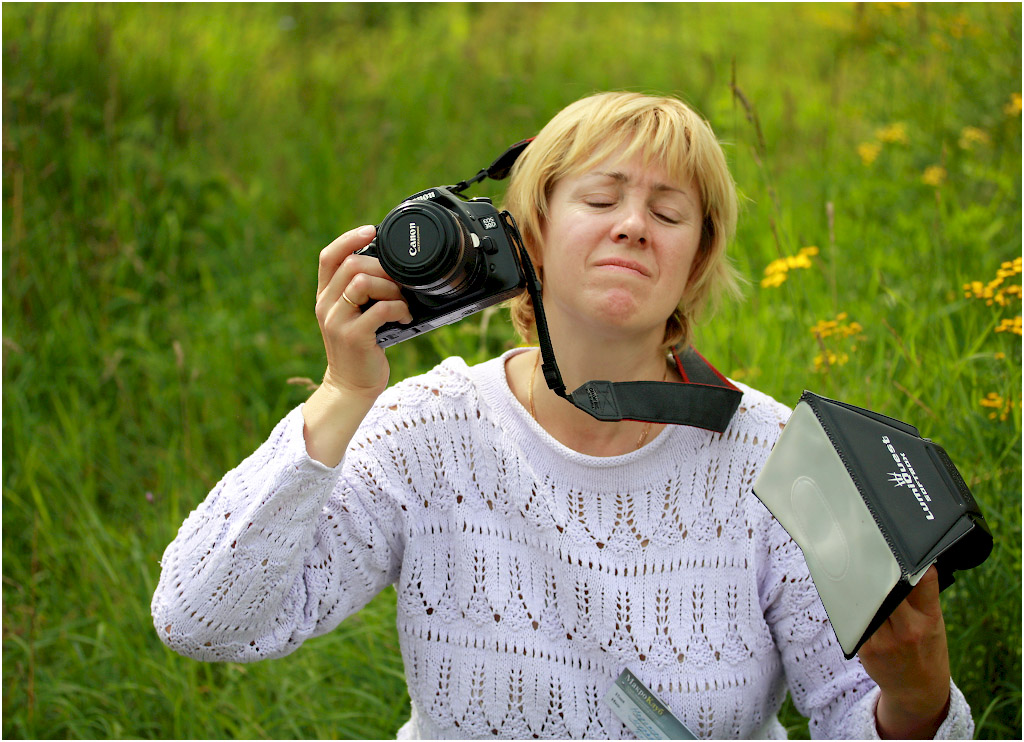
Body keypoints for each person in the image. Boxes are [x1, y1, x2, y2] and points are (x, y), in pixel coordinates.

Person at [152, 92, 971, 739]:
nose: (631, 226)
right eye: (601, 197)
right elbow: (204, 620)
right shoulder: (426, 430)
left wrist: (916, 703)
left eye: (668, 212)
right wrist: (342, 393)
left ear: (695, 262)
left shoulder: (779, 459)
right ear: (528, 237)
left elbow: (853, 719)